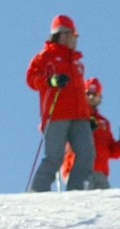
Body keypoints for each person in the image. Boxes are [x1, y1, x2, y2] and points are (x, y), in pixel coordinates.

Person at [25, 14, 94, 191]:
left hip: (79, 116)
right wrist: (50, 81)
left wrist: (88, 115)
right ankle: (37, 190)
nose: (76, 39)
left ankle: (76, 190)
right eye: (74, 34)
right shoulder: (45, 57)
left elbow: (79, 92)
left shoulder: (76, 62)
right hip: (57, 114)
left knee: (87, 152)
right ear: (63, 34)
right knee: (54, 157)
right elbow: (31, 79)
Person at [61, 77, 120, 189]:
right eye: (88, 93)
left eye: (95, 93)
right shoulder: (74, 115)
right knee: (82, 202)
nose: (91, 96)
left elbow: (112, 151)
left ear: (99, 97)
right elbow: (64, 142)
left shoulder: (104, 122)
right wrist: (86, 132)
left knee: (107, 204)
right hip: (78, 170)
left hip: (100, 172)